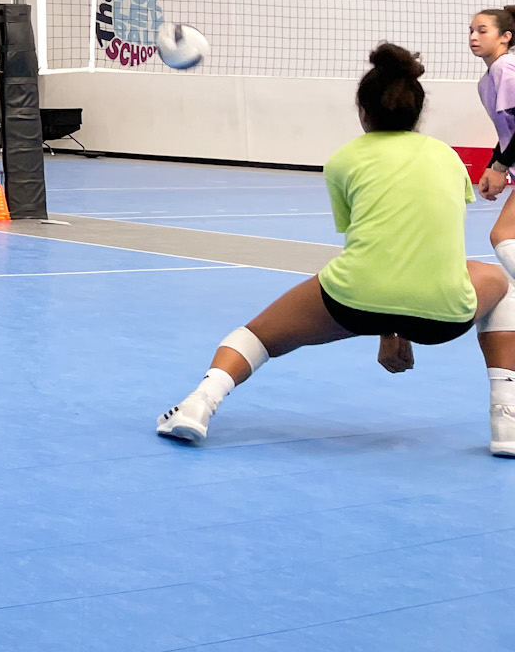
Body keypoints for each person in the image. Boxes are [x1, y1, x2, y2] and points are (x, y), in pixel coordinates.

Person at [157, 43, 515, 456]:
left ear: (363, 113)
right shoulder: (450, 159)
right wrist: (400, 326)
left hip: (354, 301)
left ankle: (197, 406)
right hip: (443, 314)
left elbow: (377, 250)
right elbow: (415, 246)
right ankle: (506, 420)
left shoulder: (343, 161)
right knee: (502, 285)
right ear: (416, 113)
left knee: (255, 337)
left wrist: (388, 327)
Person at [469, 7, 515, 296]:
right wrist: (492, 164)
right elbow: (508, 130)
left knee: (503, 235)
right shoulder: (488, 78)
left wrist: (499, 168)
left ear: (505, 37)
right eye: (471, 31)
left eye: (482, 30)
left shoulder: (505, 70)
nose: (473, 37)